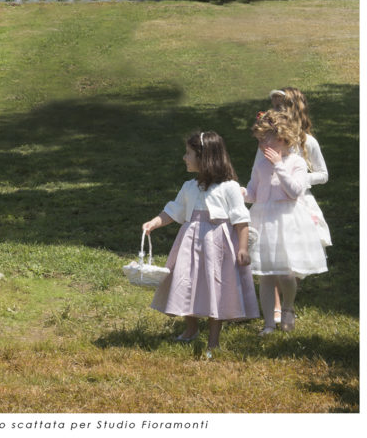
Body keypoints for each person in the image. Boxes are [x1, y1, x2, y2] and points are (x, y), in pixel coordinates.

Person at [142, 131, 258, 359]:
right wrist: (154, 223)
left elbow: (241, 219)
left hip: (218, 246)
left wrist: (242, 248)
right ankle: (191, 327)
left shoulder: (229, 187)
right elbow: (173, 210)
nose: (185, 158)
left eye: (189, 154)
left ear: (204, 157)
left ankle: (213, 340)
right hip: (189, 242)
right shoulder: (189, 186)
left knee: (217, 286)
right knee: (185, 280)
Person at [243, 110, 327, 335]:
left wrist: (280, 165)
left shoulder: (296, 162)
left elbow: (294, 191)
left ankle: (288, 307)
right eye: (259, 140)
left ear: (281, 137)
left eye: (265, 139)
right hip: (264, 222)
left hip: (288, 221)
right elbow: (253, 193)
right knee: (267, 275)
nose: (261, 145)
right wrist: (240, 192)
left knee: (287, 274)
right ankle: (269, 323)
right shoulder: (260, 164)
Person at [261, 88, 331, 324]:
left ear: (294, 110)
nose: (276, 111)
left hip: (298, 201)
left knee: (293, 255)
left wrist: (300, 180)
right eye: (274, 107)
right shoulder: (268, 141)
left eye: (281, 107)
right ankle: (277, 308)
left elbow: (323, 174)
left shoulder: (307, 142)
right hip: (272, 203)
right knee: (272, 254)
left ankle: (287, 304)